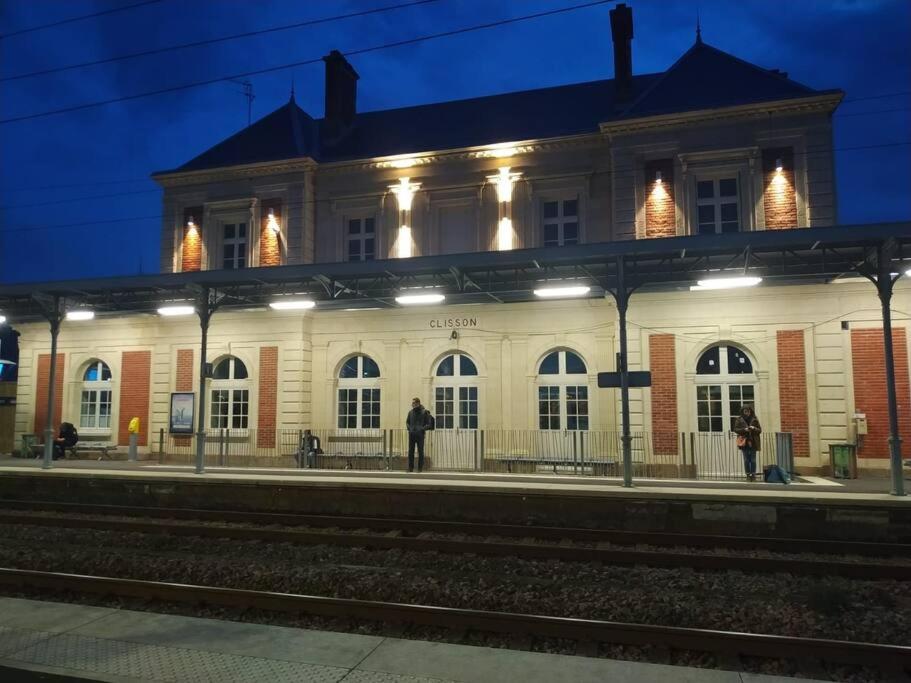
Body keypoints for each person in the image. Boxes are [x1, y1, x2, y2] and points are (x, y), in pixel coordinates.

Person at [733, 404, 762, 482]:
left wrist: (754, 428)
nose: (747, 413)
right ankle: (748, 475)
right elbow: (735, 429)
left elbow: (759, 430)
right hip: (744, 441)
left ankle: (753, 475)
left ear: (750, 411)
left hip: (753, 442)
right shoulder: (739, 419)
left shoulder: (754, 419)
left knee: (753, 460)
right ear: (742, 411)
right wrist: (744, 430)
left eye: (748, 411)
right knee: (746, 459)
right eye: (745, 411)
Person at [406, 397, 431, 473]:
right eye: (412, 403)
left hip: (420, 435)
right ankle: (410, 468)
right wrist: (409, 429)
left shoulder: (424, 412)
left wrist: (421, 429)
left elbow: (429, 424)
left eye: (413, 403)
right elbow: (407, 422)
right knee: (411, 452)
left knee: (420, 451)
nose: (412, 404)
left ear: (418, 403)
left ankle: (420, 468)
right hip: (412, 435)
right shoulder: (410, 412)